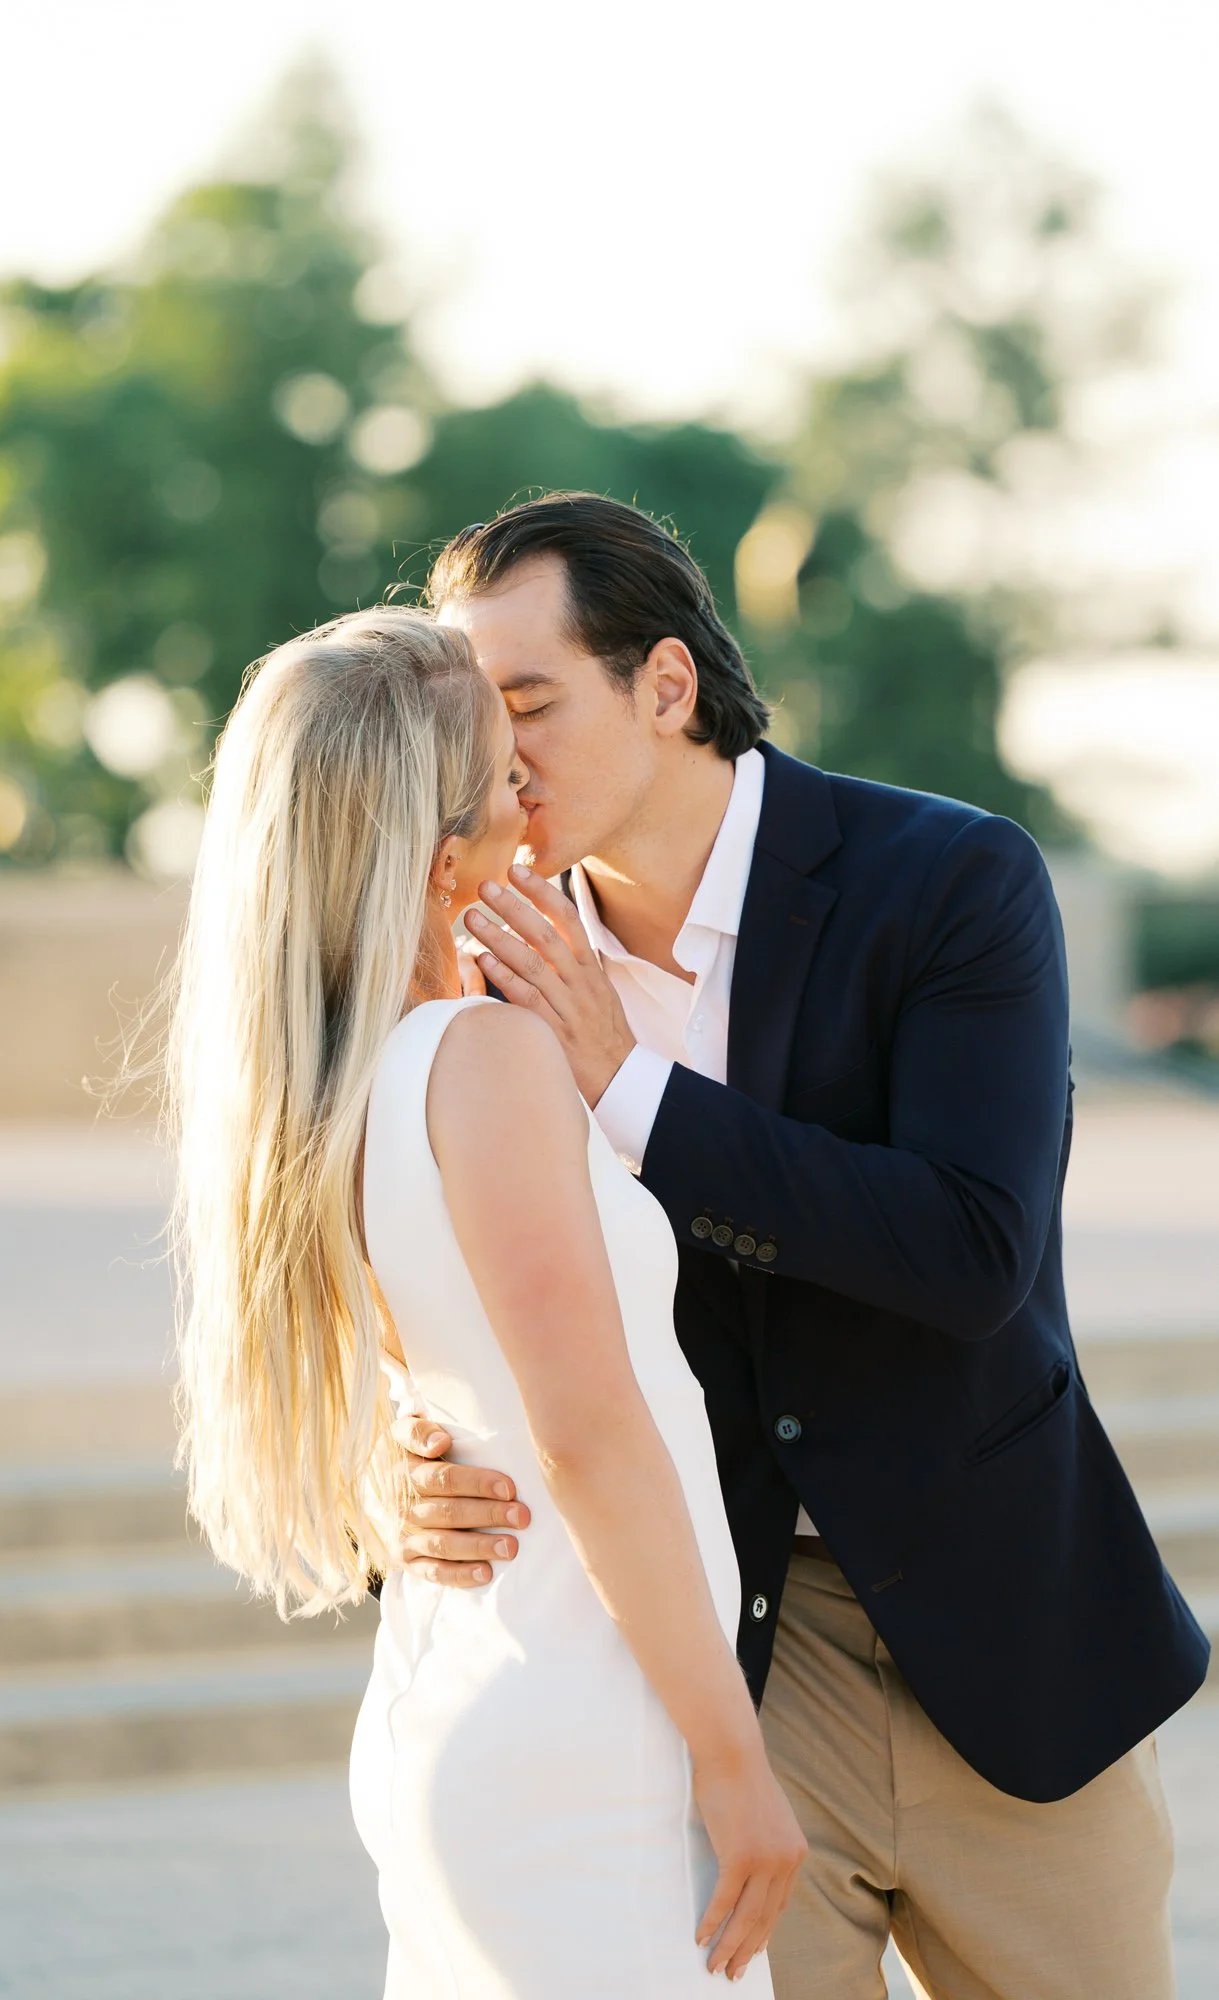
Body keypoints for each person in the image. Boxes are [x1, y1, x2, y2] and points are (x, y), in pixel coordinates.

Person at [393, 493, 1211, 2000]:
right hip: (711, 1661)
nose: (497, 761)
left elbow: (972, 1250)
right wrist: (395, 1461)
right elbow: (422, 1288)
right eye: (470, 718)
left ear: (663, 684)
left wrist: (626, 1089)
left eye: (529, 704)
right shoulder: (472, 969)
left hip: (1000, 1637)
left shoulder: (950, 882)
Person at [164, 606, 805, 1997]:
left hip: (483, 1702)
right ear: (448, 856)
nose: (534, 790)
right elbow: (587, 1434)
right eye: (503, 779)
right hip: (581, 1747)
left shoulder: (345, 1081)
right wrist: (732, 1760)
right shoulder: (491, 1059)